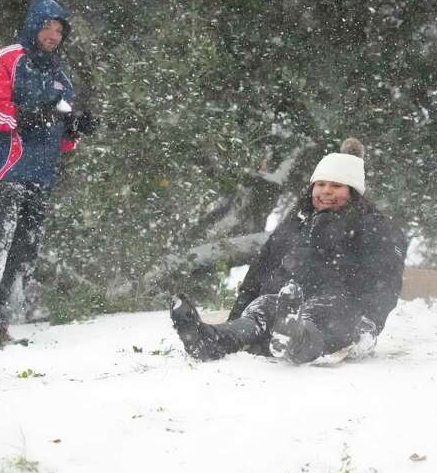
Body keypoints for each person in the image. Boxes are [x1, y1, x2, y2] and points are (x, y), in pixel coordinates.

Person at [170, 138, 408, 364]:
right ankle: (211, 340)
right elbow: (261, 270)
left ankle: (294, 338)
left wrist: (370, 324)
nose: (326, 191)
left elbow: (385, 282)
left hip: (341, 309)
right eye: (321, 184)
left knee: (317, 317)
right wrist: (237, 315)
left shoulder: (375, 227)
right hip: (284, 300)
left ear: (353, 192)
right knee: (260, 312)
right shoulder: (297, 222)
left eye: (337, 186)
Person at [0, 0, 98, 352]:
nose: (53, 36)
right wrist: (31, 116)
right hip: (3, 169)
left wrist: (76, 127)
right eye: (47, 27)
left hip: (39, 175)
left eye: (59, 30)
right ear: (33, 26)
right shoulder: (6, 59)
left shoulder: (59, 76)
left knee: (24, 253)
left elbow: (65, 143)